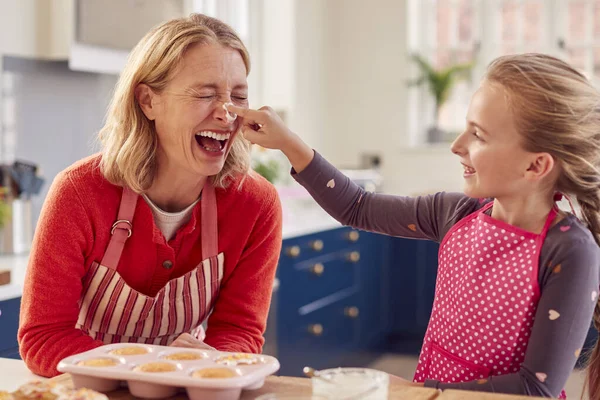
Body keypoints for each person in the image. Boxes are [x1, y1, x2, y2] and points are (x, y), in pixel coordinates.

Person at [226, 53, 600, 398]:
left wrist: (413, 389)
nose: (457, 145)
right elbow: (357, 206)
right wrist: (288, 142)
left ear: (536, 166)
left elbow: (535, 389)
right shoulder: (456, 213)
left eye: (479, 135)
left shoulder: (570, 251)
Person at [18, 14, 282, 377]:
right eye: (205, 94)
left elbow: (239, 331)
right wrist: (154, 368)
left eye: (238, 96)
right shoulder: (79, 193)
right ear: (147, 101)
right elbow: (44, 337)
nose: (227, 113)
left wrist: (209, 366)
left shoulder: (255, 205)